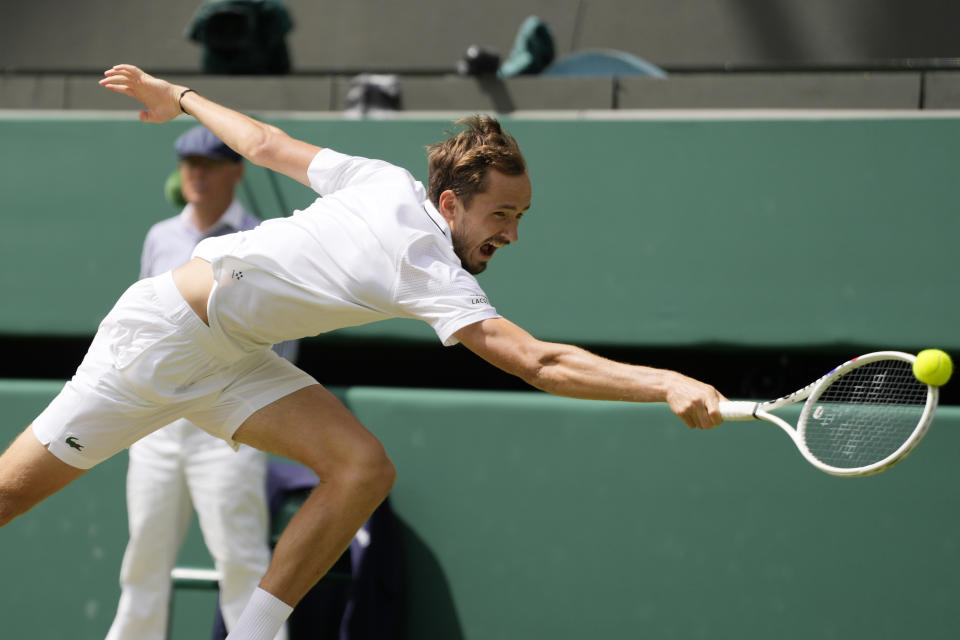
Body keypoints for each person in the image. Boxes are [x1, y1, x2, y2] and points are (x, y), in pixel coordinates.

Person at [0, 64, 726, 640]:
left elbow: (263, 144)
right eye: (501, 214)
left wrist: (181, 95)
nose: (511, 233)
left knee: (362, 467)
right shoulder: (424, 262)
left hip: (235, 357)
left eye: (521, 215)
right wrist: (662, 382)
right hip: (159, 340)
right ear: (451, 206)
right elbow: (536, 362)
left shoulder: (384, 179)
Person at [106, 125, 295, 640]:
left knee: (241, 561)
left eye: (209, 164)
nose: (196, 174)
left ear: (236, 170)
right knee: (142, 560)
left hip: (229, 429)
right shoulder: (159, 237)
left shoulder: (260, 241)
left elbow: (282, 337)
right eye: (188, 163)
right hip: (157, 424)